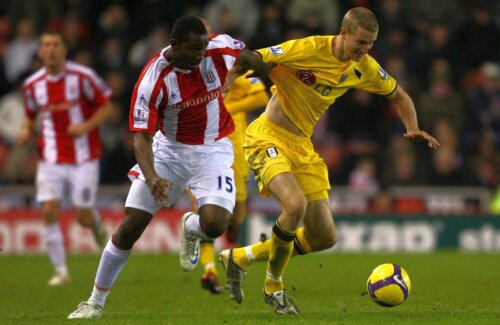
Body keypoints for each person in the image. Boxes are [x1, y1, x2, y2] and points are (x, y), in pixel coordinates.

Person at [218, 7, 440, 314]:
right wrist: (230, 76)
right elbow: (254, 57)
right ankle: (274, 286)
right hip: (268, 136)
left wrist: (411, 126)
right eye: (360, 42)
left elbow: (399, 95)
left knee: (324, 236)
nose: (365, 50)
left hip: (302, 147)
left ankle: (240, 258)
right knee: (295, 206)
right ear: (343, 33)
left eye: (371, 44)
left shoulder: (364, 67)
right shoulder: (307, 49)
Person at [67, 16, 267, 319]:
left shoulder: (218, 50)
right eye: (193, 49)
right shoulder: (153, 80)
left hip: (213, 148)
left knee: (216, 224)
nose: (200, 54)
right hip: (168, 153)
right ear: (174, 46)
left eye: (203, 47)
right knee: (130, 227)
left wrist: (239, 71)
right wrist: (152, 177)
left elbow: (255, 57)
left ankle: (190, 226)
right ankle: (94, 302)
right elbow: (141, 138)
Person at [19, 30, 112, 286]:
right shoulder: (32, 85)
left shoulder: (83, 77)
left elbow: (107, 106)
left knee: (82, 216)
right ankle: (60, 270)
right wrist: (26, 130)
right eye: (46, 45)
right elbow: (30, 113)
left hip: (84, 157)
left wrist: (85, 126)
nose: (50, 49)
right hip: (50, 158)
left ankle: (95, 226)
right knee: (49, 210)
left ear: (64, 50)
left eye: (55, 44)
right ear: (40, 51)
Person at [188, 18, 269, 295]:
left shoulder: (231, 64)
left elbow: (261, 97)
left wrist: (228, 105)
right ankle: (209, 270)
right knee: (204, 209)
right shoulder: (186, 70)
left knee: (237, 216)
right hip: (198, 145)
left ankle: (231, 247)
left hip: (234, 147)